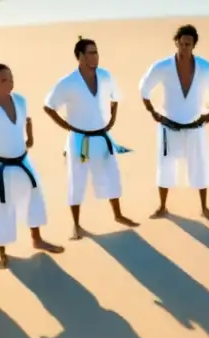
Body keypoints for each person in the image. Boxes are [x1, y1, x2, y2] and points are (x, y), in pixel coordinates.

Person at [0, 63, 62, 266]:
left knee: (35, 196)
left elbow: (26, 121)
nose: (9, 83)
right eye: (3, 79)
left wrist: (30, 139)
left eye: (11, 78)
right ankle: (2, 252)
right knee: (1, 206)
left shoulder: (20, 100)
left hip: (22, 160)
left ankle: (37, 239)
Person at [45, 40, 139, 240]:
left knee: (112, 175)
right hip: (80, 140)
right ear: (80, 56)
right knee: (76, 181)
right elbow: (49, 106)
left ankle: (118, 215)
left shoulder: (105, 76)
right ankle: (77, 226)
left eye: (96, 52)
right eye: (90, 53)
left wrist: (112, 119)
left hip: (102, 137)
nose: (95, 56)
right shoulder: (68, 82)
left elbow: (115, 98)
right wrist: (67, 126)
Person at [140, 24, 209, 222]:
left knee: (200, 166)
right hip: (169, 126)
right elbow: (144, 89)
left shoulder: (206, 68)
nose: (185, 47)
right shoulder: (162, 66)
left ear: (194, 45)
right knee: (165, 167)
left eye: (189, 44)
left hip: (196, 127)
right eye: (182, 43)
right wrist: (153, 112)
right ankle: (162, 207)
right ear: (176, 42)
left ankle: (204, 208)